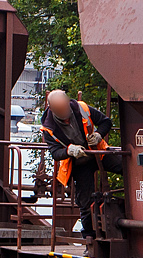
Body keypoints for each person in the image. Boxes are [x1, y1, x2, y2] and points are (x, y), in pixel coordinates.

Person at [39, 90, 123, 239]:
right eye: (60, 110)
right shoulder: (48, 127)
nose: (65, 112)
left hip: (99, 152)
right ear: (51, 109)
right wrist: (69, 151)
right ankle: (90, 237)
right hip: (79, 162)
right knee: (85, 200)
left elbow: (106, 122)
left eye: (65, 107)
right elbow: (55, 153)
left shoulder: (82, 108)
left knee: (126, 168)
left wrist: (98, 135)